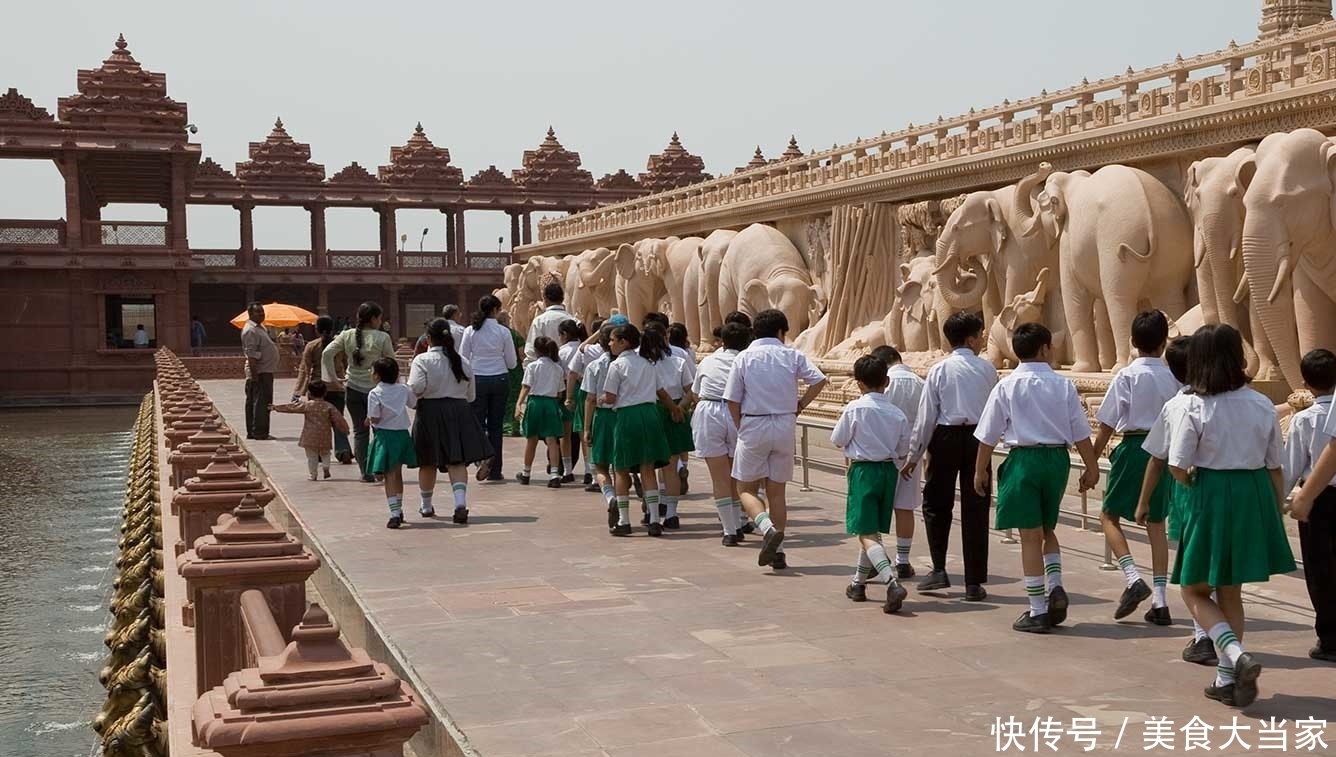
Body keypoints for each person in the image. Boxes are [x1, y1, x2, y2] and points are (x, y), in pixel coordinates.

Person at [1167, 324, 1294, 707]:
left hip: (1211, 491)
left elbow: (1177, 464)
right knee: (1231, 590)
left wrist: (1189, 483)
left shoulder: (1194, 405)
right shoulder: (1259, 403)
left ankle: (1236, 657)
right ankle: (1226, 678)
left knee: (1193, 587)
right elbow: (1276, 464)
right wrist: (1274, 505)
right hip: (1252, 491)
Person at [975, 322, 1100, 633]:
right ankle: (1055, 584)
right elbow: (1080, 431)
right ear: (1045, 349)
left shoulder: (1006, 385)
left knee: (1028, 536)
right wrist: (1092, 465)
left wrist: (980, 469)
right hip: (1057, 459)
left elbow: (988, 434)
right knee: (1047, 527)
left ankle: (1037, 609)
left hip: (1024, 459)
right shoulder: (1063, 385)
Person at [1090, 311, 1182, 625]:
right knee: (1157, 524)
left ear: (1132, 342)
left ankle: (1132, 577)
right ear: (1163, 342)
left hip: (1133, 447)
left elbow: (1104, 425)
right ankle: (1160, 600)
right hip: (1164, 451)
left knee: (1108, 515)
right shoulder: (1173, 378)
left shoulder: (1128, 375)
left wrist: (1092, 463)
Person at [724, 309, 828, 570]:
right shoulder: (791, 354)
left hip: (754, 422)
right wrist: (800, 404)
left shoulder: (745, 357)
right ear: (782, 332)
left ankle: (767, 528)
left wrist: (741, 426)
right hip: (784, 423)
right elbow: (819, 380)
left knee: (745, 488)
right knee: (777, 491)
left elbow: (732, 400)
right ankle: (778, 551)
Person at [904, 312, 997, 600]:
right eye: (980, 335)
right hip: (977, 440)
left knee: (936, 504)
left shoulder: (939, 370)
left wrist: (914, 453)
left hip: (944, 436)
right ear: (970, 338)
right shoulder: (987, 369)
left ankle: (939, 569)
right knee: (976, 508)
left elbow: (926, 416)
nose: (982, 339)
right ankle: (973, 582)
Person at [1138, 335, 1217, 664]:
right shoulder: (1227, 399)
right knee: (1215, 571)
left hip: (1190, 490)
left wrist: (1143, 501)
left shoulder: (1178, 405)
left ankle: (1205, 637)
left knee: (1193, 571)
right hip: (1227, 489)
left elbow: (1160, 460)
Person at [832, 355, 912, 613]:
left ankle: (890, 580)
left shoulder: (855, 408)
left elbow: (838, 438)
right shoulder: (897, 413)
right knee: (872, 531)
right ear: (886, 381)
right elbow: (903, 449)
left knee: (865, 531)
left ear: (858, 384)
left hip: (864, 470)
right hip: (888, 470)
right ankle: (858, 583)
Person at [409, 318, 492, 524]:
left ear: (428, 339)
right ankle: (460, 504)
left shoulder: (422, 360)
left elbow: (417, 388)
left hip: (430, 411)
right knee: (457, 460)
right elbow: (471, 395)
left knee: (427, 461)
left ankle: (426, 506)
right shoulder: (463, 361)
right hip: (459, 411)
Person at [1282, 348, 1336, 664]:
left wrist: (1282, 498)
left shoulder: (1303, 420)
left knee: (1319, 568)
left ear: (1305, 383)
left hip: (1317, 498)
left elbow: (1291, 466)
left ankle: (1329, 638)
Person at [603, 324, 675, 536]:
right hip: (649, 414)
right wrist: (674, 409)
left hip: (627, 416)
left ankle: (624, 521)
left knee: (621, 468)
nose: (610, 343)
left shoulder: (617, 366)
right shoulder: (648, 364)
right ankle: (654, 519)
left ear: (623, 342)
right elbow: (660, 391)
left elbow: (610, 396)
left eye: (613, 340)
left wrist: (600, 399)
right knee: (648, 467)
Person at [322, 302, 398, 483]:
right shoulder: (382, 337)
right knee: (380, 430)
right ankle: (380, 468)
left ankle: (366, 472)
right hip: (377, 391)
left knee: (360, 432)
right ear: (373, 319)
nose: (380, 322)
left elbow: (327, 353)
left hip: (353, 388)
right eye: (379, 318)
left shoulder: (347, 335)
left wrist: (332, 378)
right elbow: (391, 363)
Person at [692, 322, 751, 545]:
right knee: (736, 473)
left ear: (722, 341)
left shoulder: (708, 361)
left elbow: (696, 392)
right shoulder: (746, 361)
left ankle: (729, 529)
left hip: (709, 411)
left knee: (719, 477)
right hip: (737, 412)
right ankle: (737, 522)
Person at [869, 345, 925, 579]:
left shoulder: (882, 382)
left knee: (874, 508)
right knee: (904, 507)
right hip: (912, 454)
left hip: (881, 454)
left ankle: (875, 558)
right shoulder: (921, 383)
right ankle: (903, 560)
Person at [460, 296, 518, 481]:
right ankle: (495, 470)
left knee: (477, 424)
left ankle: (482, 458)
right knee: (496, 426)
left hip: (478, 379)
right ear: (495, 310)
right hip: (500, 378)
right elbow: (512, 362)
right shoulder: (503, 331)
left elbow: (463, 358)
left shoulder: (470, 330)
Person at [646, 325, 695, 529]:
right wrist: (679, 409)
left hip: (651, 412)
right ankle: (672, 514)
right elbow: (690, 391)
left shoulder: (644, 364)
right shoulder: (679, 361)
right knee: (671, 467)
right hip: (675, 411)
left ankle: (653, 513)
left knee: (648, 466)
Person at [292, 316, 352, 464]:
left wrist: (298, 391)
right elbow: (346, 364)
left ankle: (318, 452)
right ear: (332, 328)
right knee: (338, 419)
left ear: (317, 329)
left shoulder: (311, 346)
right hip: (337, 386)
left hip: (317, 389)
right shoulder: (339, 345)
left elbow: (305, 370)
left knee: (317, 422)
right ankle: (343, 449)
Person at [366, 357, 418, 529]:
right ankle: (399, 508)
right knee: (398, 473)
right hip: (402, 435)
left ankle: (394, 513)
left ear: (378, 375)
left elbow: (375, 416)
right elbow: (414, 403)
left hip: (385, 436)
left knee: (389, 476)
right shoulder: (403, 389)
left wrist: (368, 420)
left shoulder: (375, 393)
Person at [271, 380, 351, 481]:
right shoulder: (329, 406)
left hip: (310, 436)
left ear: (310, 393)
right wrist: (345, 428)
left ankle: (313, 475)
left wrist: (276, 407)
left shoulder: (307, 405)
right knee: (325, 453)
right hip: (325, 436)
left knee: (312, 456)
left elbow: (292, 407)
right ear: (325, 393)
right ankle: (326, 467)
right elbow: (339, 419)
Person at [516, 336, 566, 487]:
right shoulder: (557, 368)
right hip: (551, 403)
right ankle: (555, 474)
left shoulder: (532, 366)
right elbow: (559, 393)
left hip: (535, 403)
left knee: (531, 440)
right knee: (552, 441)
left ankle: (526, 473)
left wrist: (519, 404)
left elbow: (526, 387)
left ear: (536, 351)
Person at [581, 325, 618, 527]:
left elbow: (590, 399)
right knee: (624, 466)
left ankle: (610, 496)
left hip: (602, 418)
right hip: (623, 415)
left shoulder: (594, 366)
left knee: (600, 464)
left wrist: (587, 428)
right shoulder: (628, 364)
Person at [568, 318, 606, 490]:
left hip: (588, 391)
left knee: (586, 433)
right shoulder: (619, 352)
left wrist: (569, 397)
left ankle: (590, 472)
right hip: (613, 395)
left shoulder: (590, 350)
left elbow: (573, 372)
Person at [242, 302, 280, 440]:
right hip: (259, 372)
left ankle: (255, 431)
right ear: (251, 314)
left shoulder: (260, 328)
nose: (262, 314)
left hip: (265, 371)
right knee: (260, 403)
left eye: (262, 311)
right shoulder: (250, 330)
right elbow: (251, 355)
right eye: (258, 312)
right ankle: (259, 432)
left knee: (260, 402)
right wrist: (255, 376)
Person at [556, 319, 585, 482]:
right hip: (584, 389)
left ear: (564, 335)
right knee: (584, 432)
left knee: (565, 434)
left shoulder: (562, 352)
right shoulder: (585, 347)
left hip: (568, 388)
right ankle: (590, 470)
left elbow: (560, 373)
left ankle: (567, 471)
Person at [525, 283, 572, 363]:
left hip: (546, 371)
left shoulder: (539, 321)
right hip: (569, 370)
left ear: (545, 299)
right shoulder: (572, 320)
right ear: (562, 298)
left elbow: (531, 351)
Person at [498, 311, 526, 436]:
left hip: (498, 370)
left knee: (501, 398)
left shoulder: (495, 334)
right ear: (506, 320)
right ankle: (514, 427)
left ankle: (503, 426)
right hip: (514, 371)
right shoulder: (515, 334)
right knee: (515, 398)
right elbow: (521, 353)